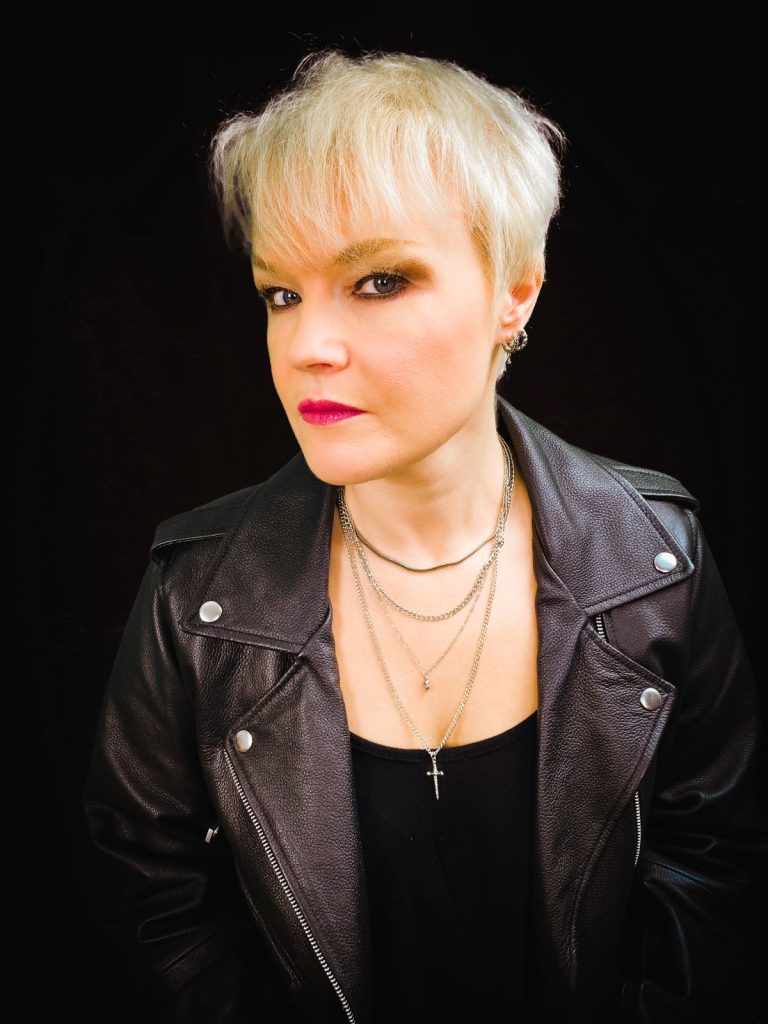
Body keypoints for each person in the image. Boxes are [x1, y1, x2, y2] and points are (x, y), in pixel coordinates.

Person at [81, 49, 768, 1024]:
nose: (308, 345)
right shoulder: (196, 598)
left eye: (378, 281)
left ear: (514, 293)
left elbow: (718, 870)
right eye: (281, 293)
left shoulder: (656, 560)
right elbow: (149, 902)